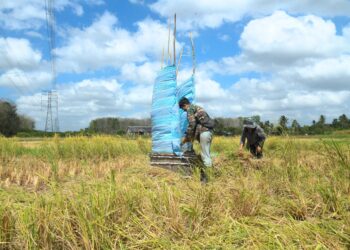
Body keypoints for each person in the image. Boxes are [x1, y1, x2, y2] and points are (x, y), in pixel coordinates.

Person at [179, 97, 214, 169]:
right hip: (209, 132)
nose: (184, 110)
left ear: (185, 105)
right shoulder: (197, 108)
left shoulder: (190, 109)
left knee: (204, 155)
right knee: (206, 153)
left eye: (183, 108)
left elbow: (192, 124)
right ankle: (210, 170)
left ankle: (207, 175)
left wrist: (187, 137)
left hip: (204, 132)